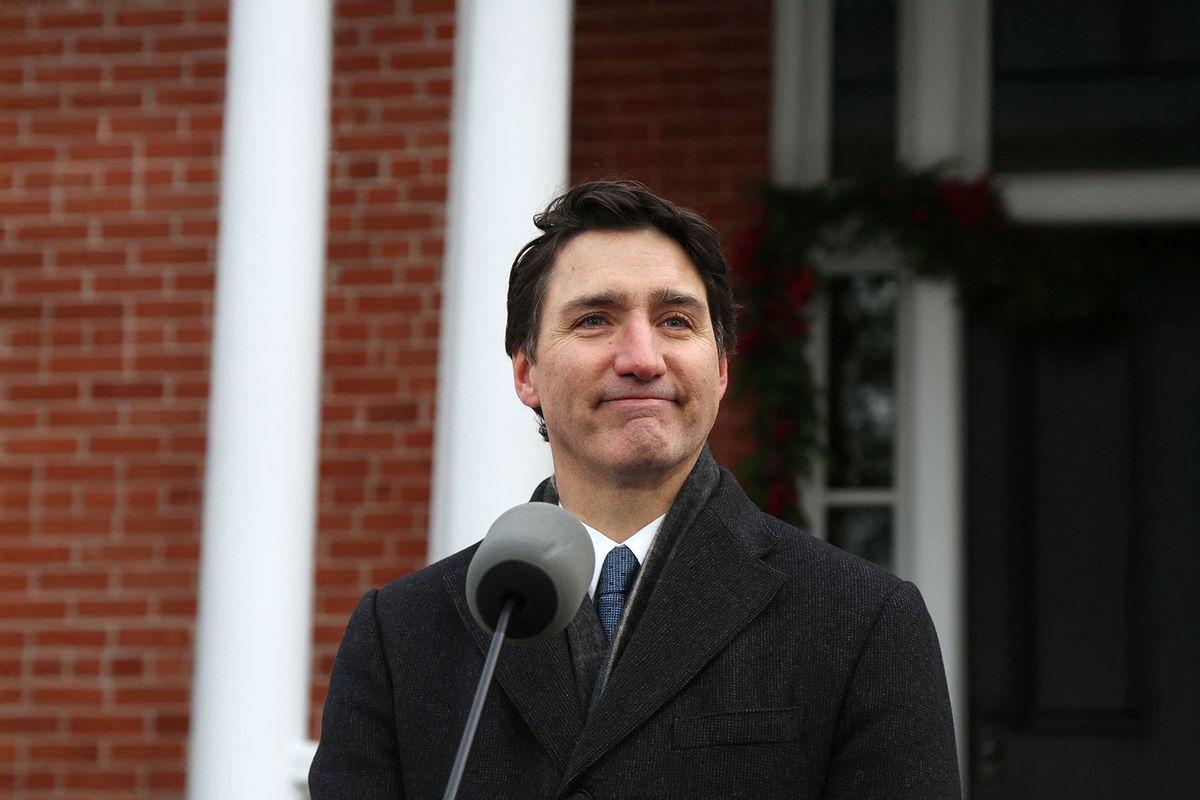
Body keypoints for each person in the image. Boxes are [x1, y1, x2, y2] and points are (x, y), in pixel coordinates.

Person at [309, 180, 961, 798]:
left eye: (676, 320)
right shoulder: (400, 637)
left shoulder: (865, 622)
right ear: (525, 371)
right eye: (595, 320)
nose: (643, 358)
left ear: (723, 367)